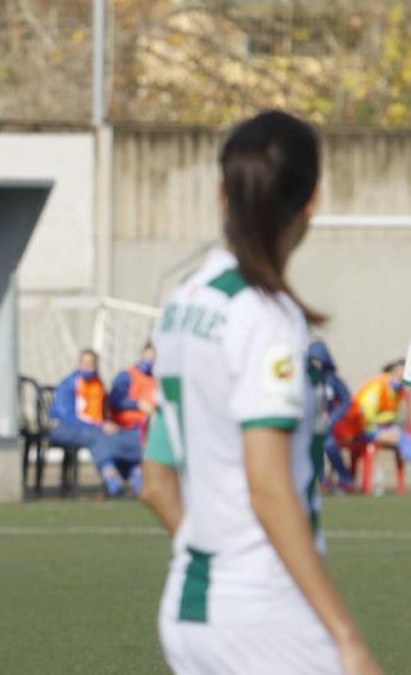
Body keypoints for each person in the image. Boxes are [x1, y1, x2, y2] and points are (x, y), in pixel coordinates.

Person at [140, 110, 380, 675]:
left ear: (222, 193)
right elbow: (269, 488)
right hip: (265, 617)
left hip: (190, 609)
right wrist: (346, 637)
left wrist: (214, 562)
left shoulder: (183, 301)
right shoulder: (267, 316)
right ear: (311, 201)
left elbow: (155, 481)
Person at [49, 348, 144, 496]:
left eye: (91, 363)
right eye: (84, 363)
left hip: (94, 428)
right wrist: (99, 425)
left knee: (127, 435)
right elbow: (66, 416)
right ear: (78, 364)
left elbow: (101, 413)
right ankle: (110, 474)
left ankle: (134, 473)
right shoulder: (69, 384)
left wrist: (107, 423)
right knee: (98, 436)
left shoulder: (97, 384)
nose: (88, 367)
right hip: (66, 428)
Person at [332, 360, 411, 473]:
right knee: (401, 438)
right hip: (360, 429)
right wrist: (388, 420)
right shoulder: (379, 385)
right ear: (394, 371)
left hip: (375, 426)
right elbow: (368, 415)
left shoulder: (396, 390)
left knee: (403, 436)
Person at [309, 340, 353, 491]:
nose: (316, 364)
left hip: (327, 424)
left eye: (319, 360)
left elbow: (346, 399)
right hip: (308, 424)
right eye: (312, 360)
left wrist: (334, 417)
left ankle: (345, 479)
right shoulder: (305, 379)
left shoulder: (332, 380)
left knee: (329, 445)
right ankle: (321, 480)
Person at [108, 342, 157, 442]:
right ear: (141, 355)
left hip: (145, 428)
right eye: (147, 357)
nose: (149, 361)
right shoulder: (126, 375)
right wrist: (138, 404)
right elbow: (114, 401)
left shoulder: (154, 380)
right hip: (125, 427)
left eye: (152, 358)